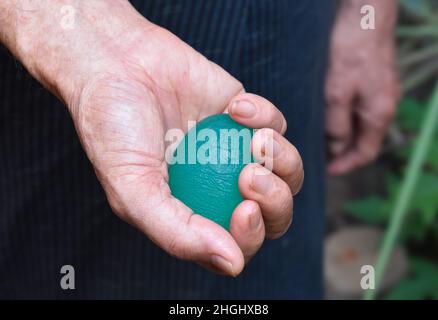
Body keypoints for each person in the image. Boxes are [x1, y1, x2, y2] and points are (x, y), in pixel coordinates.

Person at [0, 0, 399, 299]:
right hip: (50, 77)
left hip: (286, 26)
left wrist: (371, 14)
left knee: (267, 254)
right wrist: (67, 26)